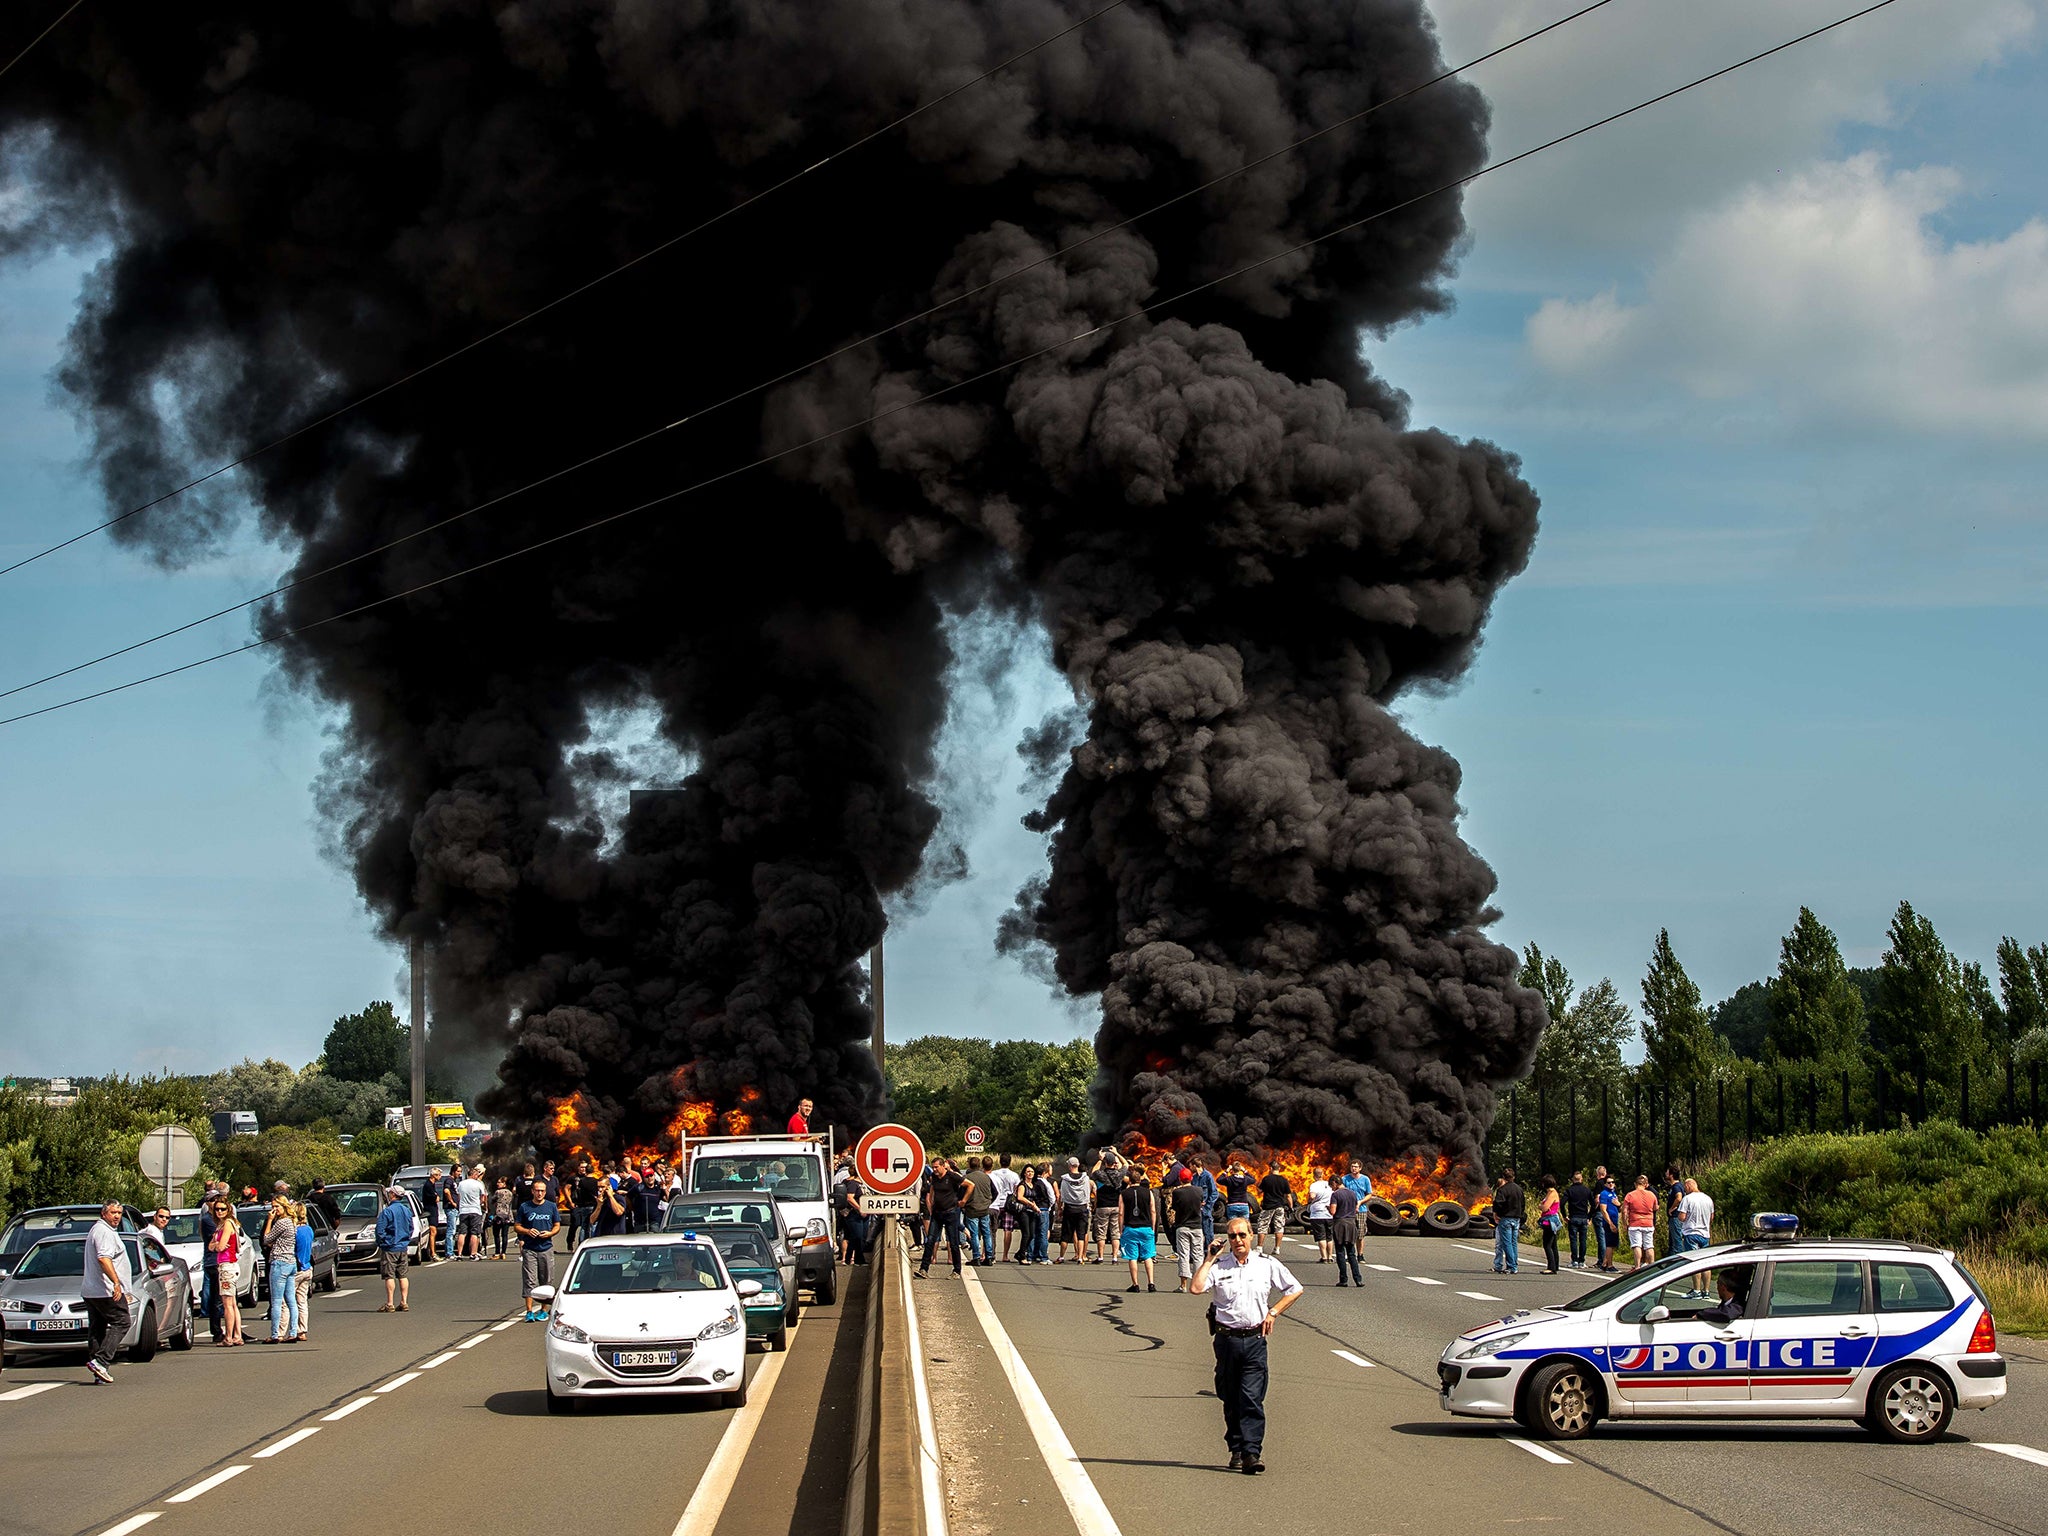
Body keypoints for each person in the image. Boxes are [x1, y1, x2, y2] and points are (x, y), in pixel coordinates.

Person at [1191, 1218, 1304, 1475]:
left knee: (1252, 1398)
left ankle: (1252, 1452)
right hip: (1226, 1341)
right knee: (1230, 1398)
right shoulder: (1219, 1266)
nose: (1238, 1240)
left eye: (1242, 1235)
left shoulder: (1266, 1265)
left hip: (1254, 1340)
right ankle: (1237, 1449)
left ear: (1252, 1236)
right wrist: (1209, 1258)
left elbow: (1295, 1289)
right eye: (1232, 1236)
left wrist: (1273, 1312)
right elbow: (1196, 1288)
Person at [81, 1200, 132, 1384]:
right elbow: (104, 1259)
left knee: (98, 1328)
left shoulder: (99, 1230)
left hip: (92, 1289)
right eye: (113, 1212)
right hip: (105, 1290)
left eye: (119, 1212)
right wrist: (116, 1282)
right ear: (104, 1214)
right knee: (122, 1321)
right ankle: (101, 1361)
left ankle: (98, 1371)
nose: (117, 1216)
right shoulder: (103, 1232)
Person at [916, 1157, 969, 1279]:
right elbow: (931, 1192)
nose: (934, 1169)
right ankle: (923, 1269)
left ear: (942, 1166)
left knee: (953, 1242)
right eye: (933, 1167)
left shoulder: (952, 1176)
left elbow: (970, 1185)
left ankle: (956, 1270)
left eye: (936, 1167)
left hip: (951, 1212)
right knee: (930, 1240)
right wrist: (931, 1206)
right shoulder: (934, 1177)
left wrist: (963, 1201)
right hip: (937, 1213)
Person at [515, 1179, 560, 1321]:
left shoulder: (551, 1206)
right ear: (532, 1191)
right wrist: (528, 1231)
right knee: (530, 1280)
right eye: (537, 1190)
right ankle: (529, 1311)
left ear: (545, 1192)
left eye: (542, 1191)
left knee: (546, 1279)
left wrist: (550, 1233)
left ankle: (543, 1310)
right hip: (529, 1249)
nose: (539, 1193)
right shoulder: (524, 1207)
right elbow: (517, 1226)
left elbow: (557, 1225)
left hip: (546, 1247)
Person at [263, 1195, 300, 1343]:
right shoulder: (292, 1222)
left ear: (284, 1207)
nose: (274, 1210)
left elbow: (266, 1239)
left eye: (276, 1207)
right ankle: (293, 1332)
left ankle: (275, 1334)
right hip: (290, 1262)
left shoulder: (281, 1222)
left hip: (279, 1263)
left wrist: (270, 1220)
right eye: (272, 1207)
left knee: (277, 1300)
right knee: (291, 1300)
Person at [1120, 1165, 1160, 1292]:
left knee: (1132, 1257)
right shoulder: (1148, 1192)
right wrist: (1153, 1226)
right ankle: (1151, 1283)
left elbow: (1121, 1212)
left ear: (1129, 1181)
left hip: (1130, 1228)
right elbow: (1153, 1210)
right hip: (1146, 1228)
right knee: (1148, 1256)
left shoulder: (1124, 1194)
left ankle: (1135, 1284)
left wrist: (1121, 1229)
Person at [213, 1199, 247, 1342]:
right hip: (228, 1265)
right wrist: (216, 1245)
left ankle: (229, 1337)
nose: (219, 1211)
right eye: (217, 1209)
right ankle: (237, 1335)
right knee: (232, 1303)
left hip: (227, 1265)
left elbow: (220, 1247)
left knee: (227, 1304)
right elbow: (213, 1245)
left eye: (223, 1209)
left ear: (228, 1210)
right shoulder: (221, 1225)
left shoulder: (227, 1224)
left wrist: (216, 1245)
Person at [1168, 1168, 1206, 1291]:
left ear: (1180, 1179)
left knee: (1183, 1255)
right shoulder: (1199, 1191)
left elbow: (1174, 1207)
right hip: (1197, 1226)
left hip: (1182, 1226)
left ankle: (1183, 1285)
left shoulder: (1177, 1192)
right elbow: (1201, 1204)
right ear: (1191, 1178)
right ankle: (1199, 1284)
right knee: (1198, 1255)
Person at [376, 1186, 413, 1312]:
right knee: (403, 1275)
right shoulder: (406, 1210)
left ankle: (390, 1303)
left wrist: (383, 1242)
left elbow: (380, 1231)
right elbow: (410, 1228)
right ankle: (404, 1302)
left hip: (390, 1247)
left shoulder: (387, 1211)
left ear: (393, 1195)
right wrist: (405, 1239)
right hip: (403, 1246)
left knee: (389, 1275)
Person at [1087, 1151, 1124, 1264]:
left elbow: (1093, 1172)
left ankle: (1101, 1257)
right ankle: (1114, 1258)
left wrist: (1100, 1159)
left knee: (1101, 1233)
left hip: (1102, 1206)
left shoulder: (1101, 1174)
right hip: (1116, 1206)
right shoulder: (1119, 1174)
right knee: (1115, 1233)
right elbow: (1126, 1165)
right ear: (1114, 1162)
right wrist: (1116, 1153)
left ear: (1105, 1162)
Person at [197, 1193, 224, 1343]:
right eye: (213, 1201)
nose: (216, 1205)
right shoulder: (208, 1220)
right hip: (214, 1261)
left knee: (224, 1298)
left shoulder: (218, 1219)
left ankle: (229, 1329)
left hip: (222, 1261)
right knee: (216, 1298)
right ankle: (217, 1330)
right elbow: (220, 1236)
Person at [1055, 1157, 1091, 1264]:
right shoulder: (1085, 1178)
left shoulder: (1065, 1179)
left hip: (1069, 1208)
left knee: (1066, 1234)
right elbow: (1087, 1192)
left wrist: (1061, 1208)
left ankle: (1061, 1256)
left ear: (1070, 1166)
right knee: (1081, 1234)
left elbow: (1063, 1195)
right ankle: (1080, 1257)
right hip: (1082, 1208)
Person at [1328, 1175, 1363, 1286]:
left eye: (1331, 1185)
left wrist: (1327, 1208)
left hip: (1340, 1224)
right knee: (1352, 1253)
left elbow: (1333, 1211)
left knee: (1340, 1252)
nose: (1331, 1188)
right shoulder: (1352, 1193)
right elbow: (1356, 1209)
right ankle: (1358, 1279)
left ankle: (1343, 1280)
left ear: (1335, 1182)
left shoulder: (1335, 1195)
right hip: (1351, 1224)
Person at [1621, 1173, 1661, 1271]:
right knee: (1649, 1245)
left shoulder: (1630, 1195)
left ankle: (1637, 1266)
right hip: (1648, 1223)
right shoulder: (1651, 1195)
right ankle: (1652, 1266)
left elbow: (1624, 1210)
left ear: (1635, 1184)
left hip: (1635, 1223)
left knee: (1636, 1245)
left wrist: (1625, 1223)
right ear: (1646, 1184)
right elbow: (1656, 1207)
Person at [962, 1156, 996, 1266]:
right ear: (979, 1165)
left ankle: (976, 1256)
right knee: (987, 1232)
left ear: (969, 1165)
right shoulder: (986, 1177)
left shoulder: (967, 1177)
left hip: (972, 1208)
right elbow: (995, 1192)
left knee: (974, 1233)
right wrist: (988, 1202)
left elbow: (961, 1192)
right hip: (984, 1208)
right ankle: (989, 1257)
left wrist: (963, 1204)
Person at [989, 1153, 1021, 1262]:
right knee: (1008, 1229)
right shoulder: (1014, 1175)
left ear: (999, 1161)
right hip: (1008, 1204)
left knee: (991, 1229)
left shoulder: (994, 1174)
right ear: (1010, 1162)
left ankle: (988, 1253)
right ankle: (1005, 1255)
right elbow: (1016, 1189)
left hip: (995, 1203)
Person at [1254, 1167, 1293, 1257]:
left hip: (1268, 1206)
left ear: (1271, 1168)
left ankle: (1259, 1247)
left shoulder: (1266, 1179)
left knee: (1263, 1225)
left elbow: (1259, 1191)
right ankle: (1277, 1248)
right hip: (1280, 1206)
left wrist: (1258, 1186)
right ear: (1279, 1168)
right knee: (1279, 1226)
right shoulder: (1284, 1180)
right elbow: (1288, 1196)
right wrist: (1291, 1207)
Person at [1491, 1168, 1524, 1274]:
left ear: (1504, 1178)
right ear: (1513, 1177)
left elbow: (1498, 1203)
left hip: (1506, 1218)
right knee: (1514, 1242)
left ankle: (1511, 1266)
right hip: (1516, 1218)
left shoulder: (1502, 1190)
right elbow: (1523, 1204)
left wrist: (1497, 1214)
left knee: (1507, 1243)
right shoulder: (1519, 1189)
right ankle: (1514, 1264)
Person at [291, 1202, 314, 1342]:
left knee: (287, 1302)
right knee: (302, 1301)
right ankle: (302, 1330)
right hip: (307, 1267)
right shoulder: (308, 1229)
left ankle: (290, 1330)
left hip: (296, 1268)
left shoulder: (294, 1231)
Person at [1563, 1172, 1594, 1270]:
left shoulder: (1569, 1190)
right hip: (1584, 1217)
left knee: (1573, 1240)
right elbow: (1593, 1204)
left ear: (1573, 1179)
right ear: (1581, 1179)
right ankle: (1582, 1261)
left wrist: (1565, 1215)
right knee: (1583, 1240)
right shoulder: (1586, 1190)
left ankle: (1574, 1260)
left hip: (1573, 1217)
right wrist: (1589, 1216)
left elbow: (1562, 1203)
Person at [456, 1164, 486, 1260]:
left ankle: (459, 1254)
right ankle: (473, 1253)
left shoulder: (461, 1184)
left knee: (462, 1233)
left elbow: (459, 1196)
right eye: (477, 1175)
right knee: (474, 1233)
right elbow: (483, 1196)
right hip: (475, 1210)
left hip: (463, 1210)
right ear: (473, 1175)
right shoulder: (478, 1184)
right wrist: (480, 1203)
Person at [568, 1160, 599, 1250]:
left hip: (583, 1206)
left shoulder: (581, 1181)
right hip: (593, 1206)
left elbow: (579, 1192)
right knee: (593, 1225)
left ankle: (581, 1245)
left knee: (584, 1226)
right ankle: (594, 1244)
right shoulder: (595, 1181)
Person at [1678, 1178, 1715, 1252]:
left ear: (1688, 1186)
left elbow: (1682, 1217)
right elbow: (1711, 1217)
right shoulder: (1708, 1199)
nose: (1685, 1191)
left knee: (1692, 1258)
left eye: (1685, 1188)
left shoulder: (1687, 1199)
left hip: (1691, 1233)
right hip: (1705, 1234)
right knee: (1703, 1258)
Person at [1304, 1171, 1334, 1264]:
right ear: (1323, 1175)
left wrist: (1310, 1200)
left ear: (1314, 1176)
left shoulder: (1314, 1185)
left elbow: (1312, 1196)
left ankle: (1324, 1257)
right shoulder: (1329, 1184)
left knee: (1321, 1236)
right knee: (1329, 1237)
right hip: (1329, 1214)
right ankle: (1330, 1257)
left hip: (1317, 1214)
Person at [1535, 1175, 1562, 1275]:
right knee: (1553, 1244)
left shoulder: (1552, 1194)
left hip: (1550, 1220)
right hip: (1549, 1219)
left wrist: (1540, 1206)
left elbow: (1545, 1207)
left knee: (1547, 1244)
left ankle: (1551, 1267)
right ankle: (1555, 1264)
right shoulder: (1550, 1192)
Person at [421, 1167, 447, 1265]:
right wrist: (436, 1196)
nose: (440, 1177)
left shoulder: (432, 1185)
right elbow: (434, 1198)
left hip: (433, 1209)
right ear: (434, 1175)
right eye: (439, 1175)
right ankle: (433, 1253)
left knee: (434, 1231)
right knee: (433, 1231)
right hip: (430, 1210)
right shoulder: (428, 1185)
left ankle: (432, 1252)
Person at [1219, 1155, 1255, 1225]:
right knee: (1245, 1225)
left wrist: (1227, 1170)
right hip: (1243, 1205)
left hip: (1232, 1205)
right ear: (1240, 1169)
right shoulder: (1245, 1179)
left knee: (1233, 1225)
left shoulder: (1229, 1179)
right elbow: (1253, 1180)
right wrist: (1245, 1170)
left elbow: (1219, 1180)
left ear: (1232, 1170)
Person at [1595, 1176, 1621, 1272]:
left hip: (1614, 1219)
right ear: (1605, 1184)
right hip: (1609, 1221)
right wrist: (1610, 1223)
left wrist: (1619, 1204)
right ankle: (1610, 1266)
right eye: (1609, 1182)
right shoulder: (1604, 1194)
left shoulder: (1613, 1193)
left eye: (1612, 1182)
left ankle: (1604, 1263)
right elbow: (1603, 1210)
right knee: (1610, 1244)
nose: (1611, 1184)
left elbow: (1618, 1207)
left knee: (1613, 1243)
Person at [440, 1166, 462, 1259]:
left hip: (455, 1209)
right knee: (451, 1231)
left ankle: (450, 1251)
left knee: (453, 1230)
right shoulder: (449, 1180)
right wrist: (452, 1202)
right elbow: (446, 1191)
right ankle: (449, 1253)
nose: (459, 1173)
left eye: (460, 1171)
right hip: (451, 1208)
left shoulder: (454, 1181)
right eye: (458, 1171)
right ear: (453, 1171)